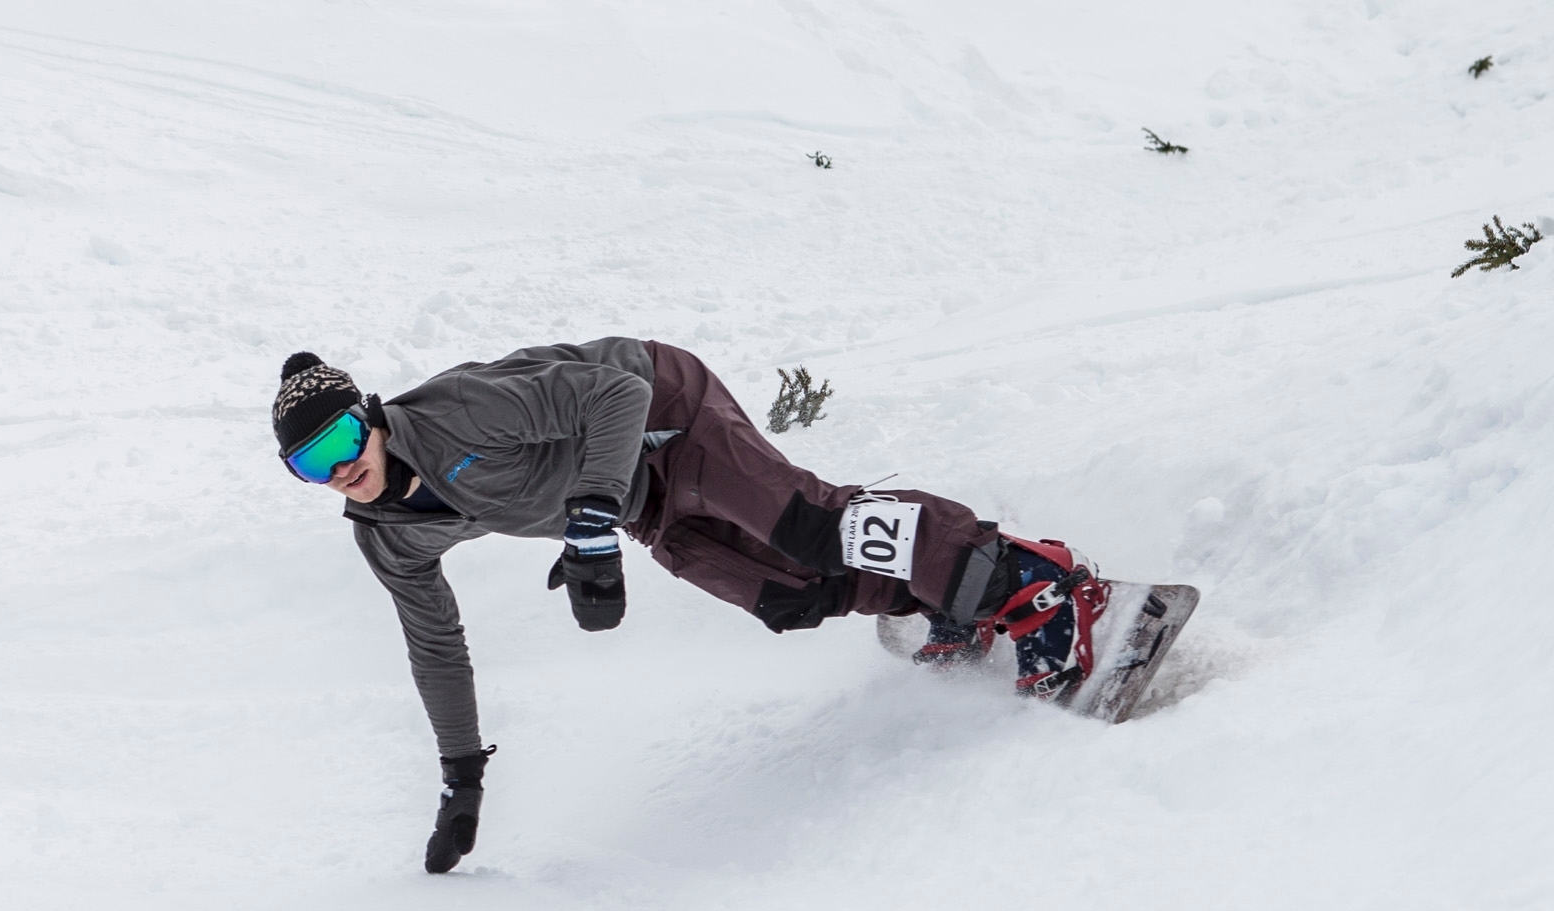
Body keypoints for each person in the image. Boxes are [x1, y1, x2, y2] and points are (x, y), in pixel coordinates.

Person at [272, 341, 1108, 872]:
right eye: (312, 465)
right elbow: (436, 648)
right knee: (786, 594)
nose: (340, 469)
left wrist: (590, 514)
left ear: (372, 419)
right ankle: (942, 596)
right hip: (636, 500)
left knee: (810, 525)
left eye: (344, 441)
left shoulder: (456, 415)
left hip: (663, 412)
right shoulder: (388, 538)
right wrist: (462, 774)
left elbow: (610, 397)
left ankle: (1026, 580)